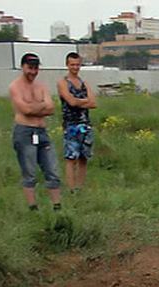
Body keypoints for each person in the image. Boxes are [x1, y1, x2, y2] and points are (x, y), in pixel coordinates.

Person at [8, 53, 62, 210]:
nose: (33, 71)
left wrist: (34, 107)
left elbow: (51, 108)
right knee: (29, 172)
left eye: (36, 68)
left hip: (42, 131)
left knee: (52, 169)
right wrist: (40, 105)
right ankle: (33, 207)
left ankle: (57, 206)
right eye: (30, 68)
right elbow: (25, 110)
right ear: (22, 67)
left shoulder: (41, 86)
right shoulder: (15, 87)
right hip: (24, 131)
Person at [56, 51, 97, 192]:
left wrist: (79, 102)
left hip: (85, 125)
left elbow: (93, 103)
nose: (75, 67)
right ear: (67, 65)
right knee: (71, 158)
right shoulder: (63, 83)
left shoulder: (84, 83)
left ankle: (80, 187)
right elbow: (71, 102)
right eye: (72, 64)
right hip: (71, 125)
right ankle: (71, 188)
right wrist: (84, 101)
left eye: (77, 64)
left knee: (83, 157)